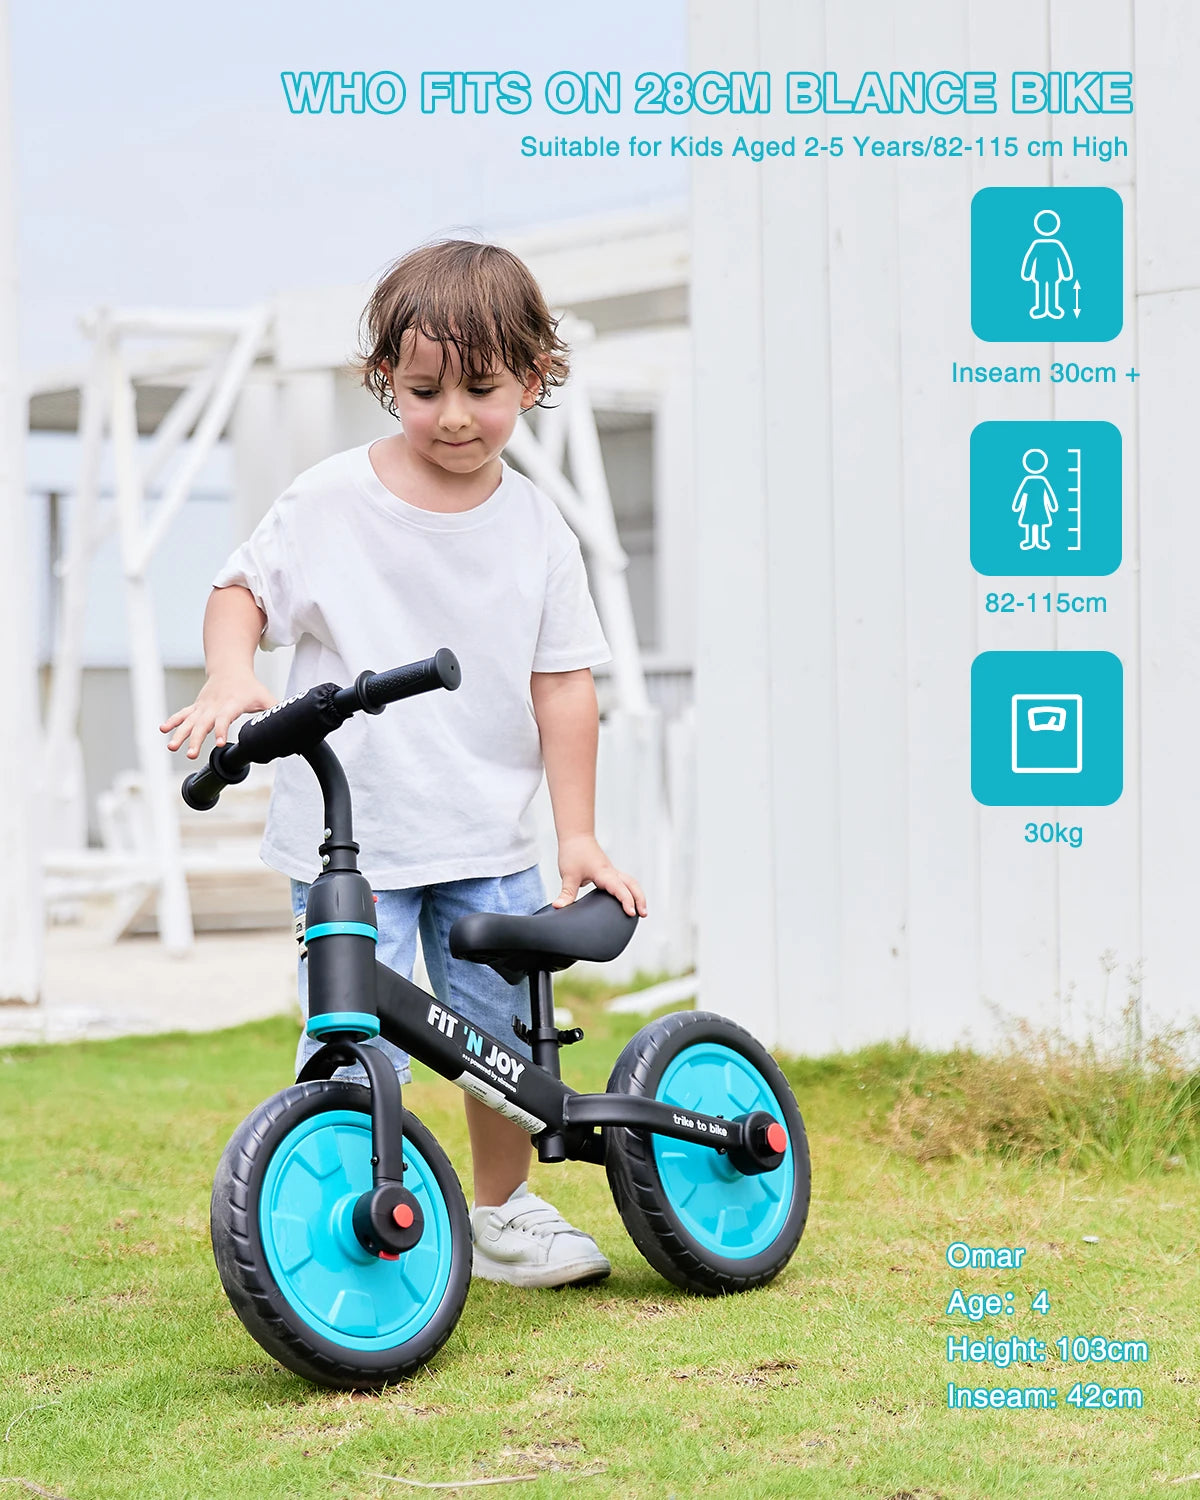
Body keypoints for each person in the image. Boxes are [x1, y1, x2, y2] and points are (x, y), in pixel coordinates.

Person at [160, 239, 647, 1288]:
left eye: (484, 387)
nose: (457, 416)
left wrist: (577, 834)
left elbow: (564, 685)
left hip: (483, 834)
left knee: (499, 1046)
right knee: (349, 1037)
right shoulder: (330, 500)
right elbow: (238, 588)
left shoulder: (536, 530)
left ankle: (505, 1212)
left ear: (533, 377)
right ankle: (342, 1218)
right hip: (351, 845)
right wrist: (232, 674)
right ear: (386, 379)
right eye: (425, 391)